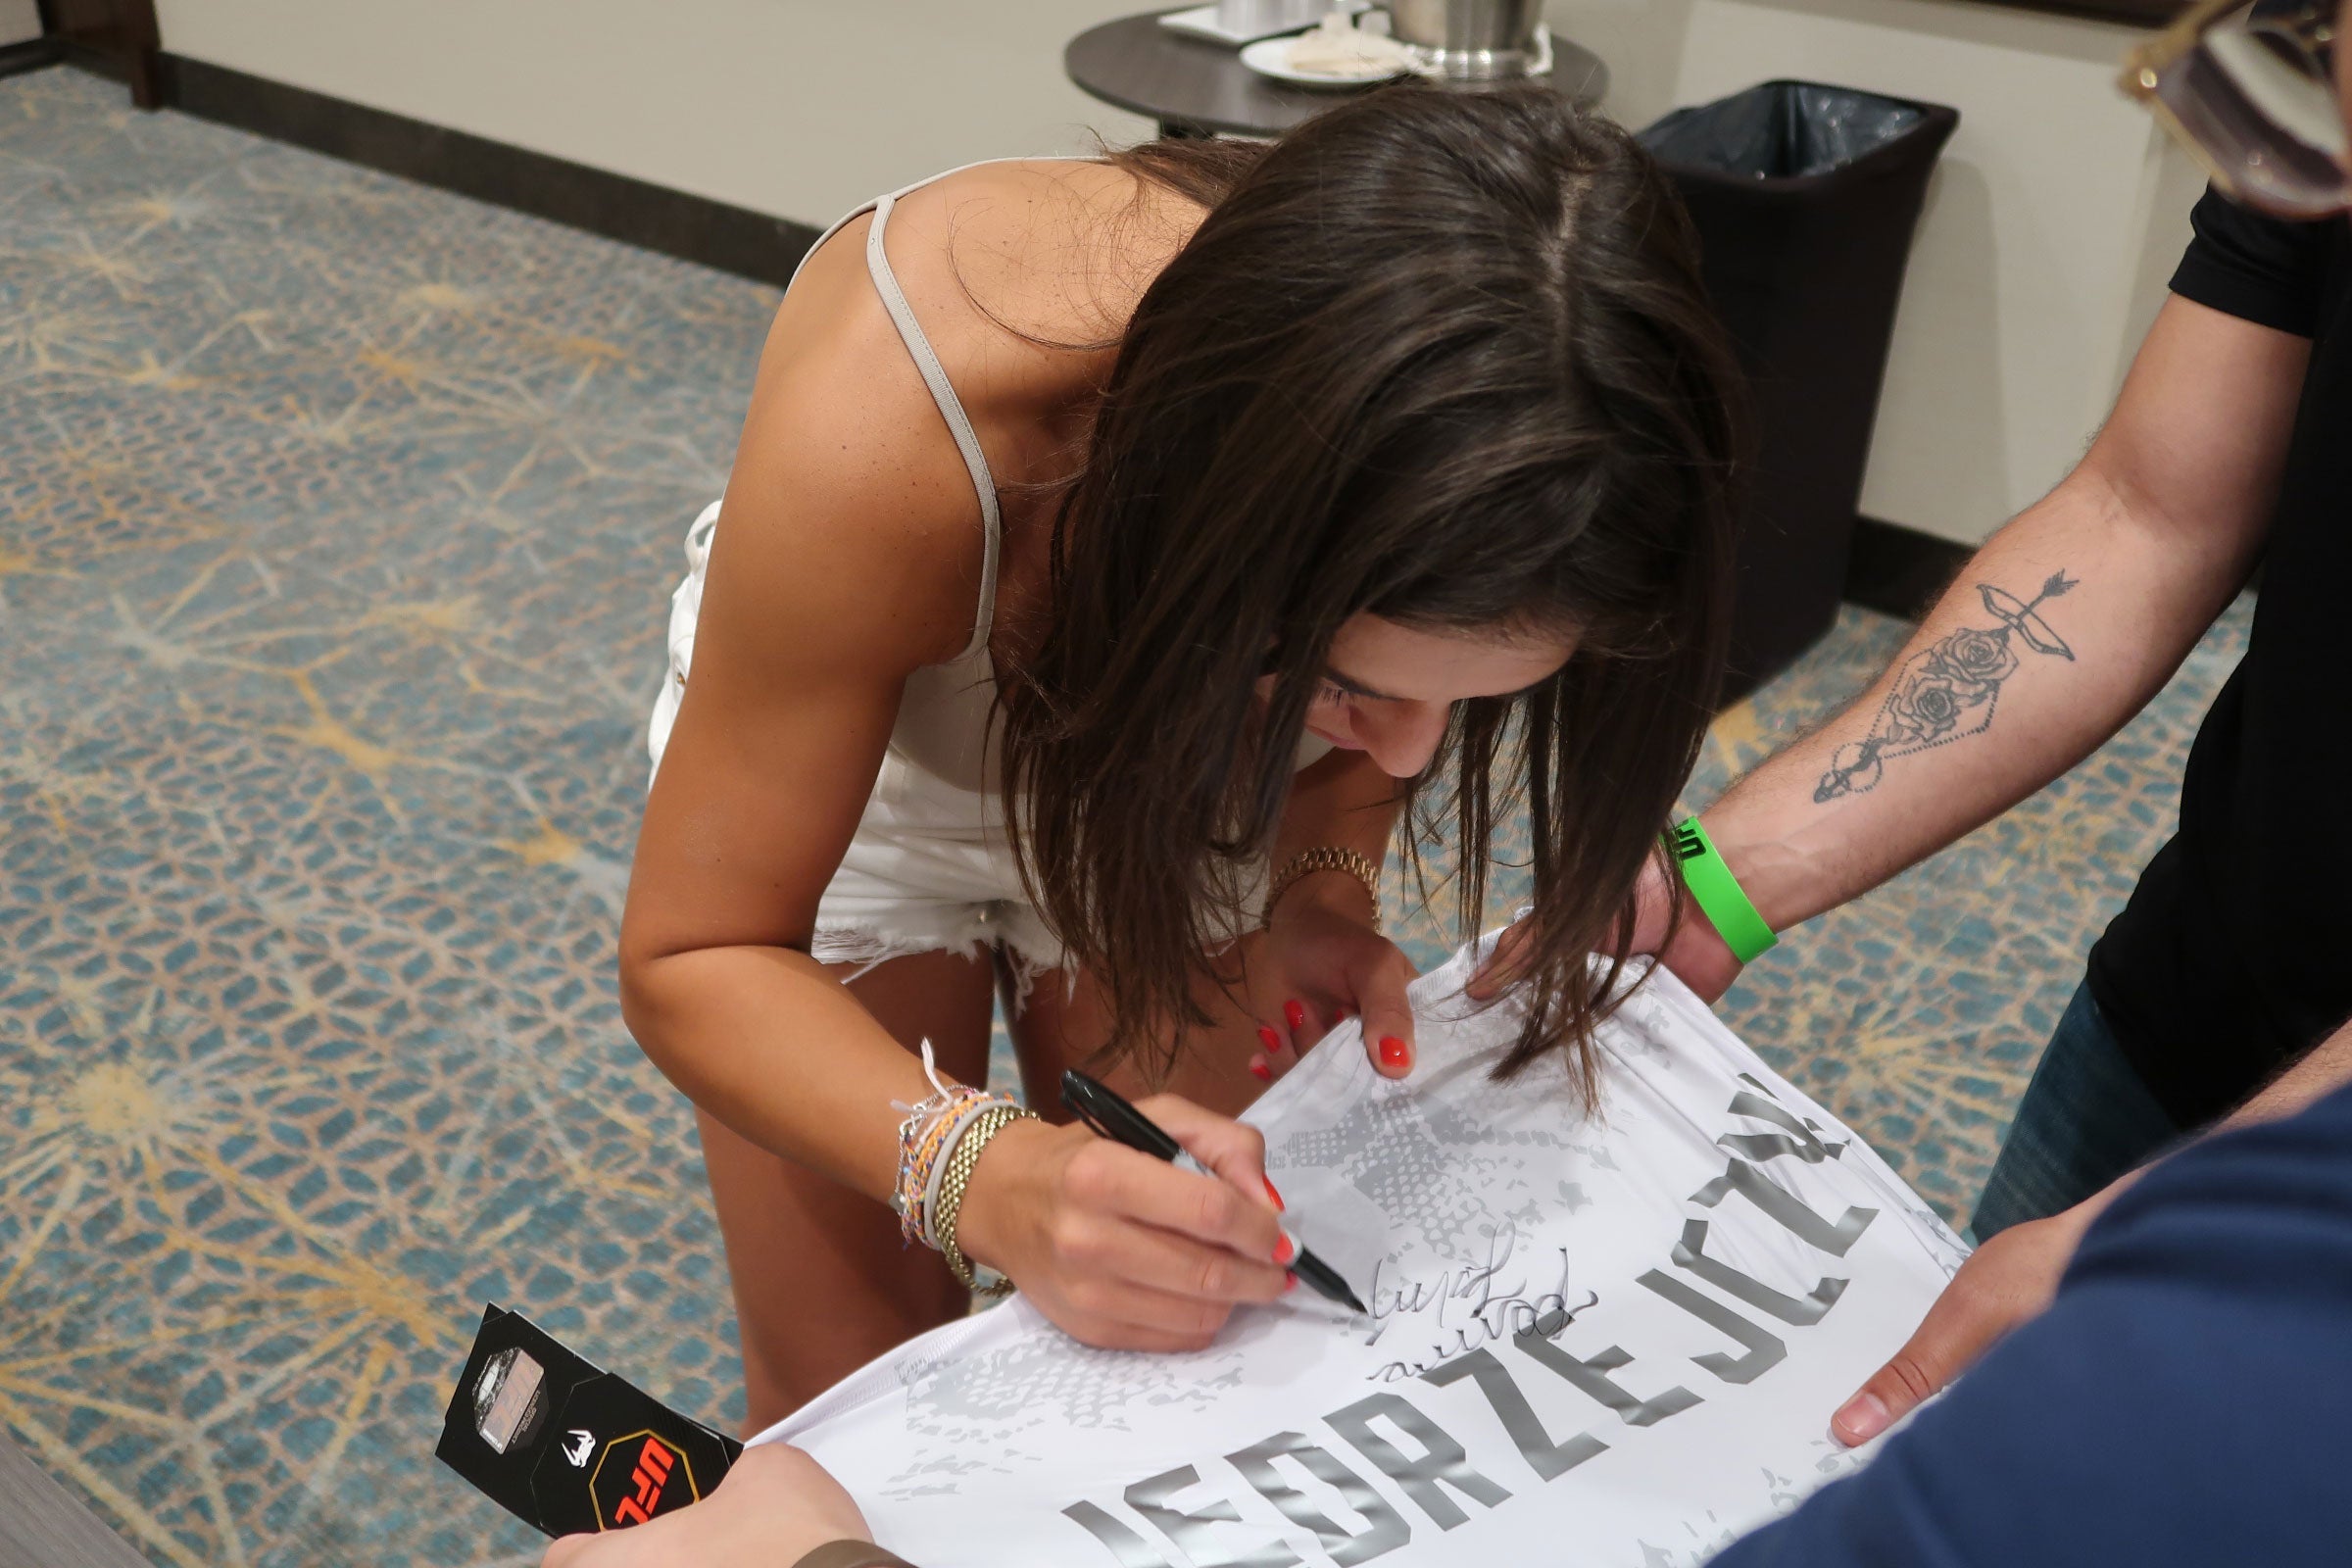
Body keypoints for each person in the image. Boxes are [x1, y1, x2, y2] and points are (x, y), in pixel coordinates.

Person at [623, 83, 1745, 1430]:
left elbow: (1368, 733)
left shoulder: (1472, 395)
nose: (1405, 752)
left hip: (1190, 753)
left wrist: (1321, 886)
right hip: (877, 783)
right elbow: (697, 957)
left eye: (1464, 705)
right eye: (1349, 681)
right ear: (1218, 507)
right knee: (856, 1400)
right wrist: (984, 1172)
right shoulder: (895, 428)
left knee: (1181, 1327)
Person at [1468, 0, 2352, 1449]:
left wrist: (2195, 1220)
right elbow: (2145, 515)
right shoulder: (2314, 64)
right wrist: (1718, 877)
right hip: (2199, 985)